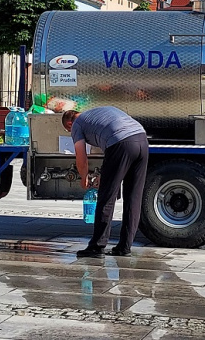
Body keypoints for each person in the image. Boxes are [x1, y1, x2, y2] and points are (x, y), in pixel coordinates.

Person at [62, 107, 149, 258]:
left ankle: (97, 246)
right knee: (133, 198)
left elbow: (81, 156)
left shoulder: (77, 125)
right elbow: (111, 154)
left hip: (121, 143)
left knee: (106, 197)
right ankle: (124, 247)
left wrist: (84, 177)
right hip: (141, 140)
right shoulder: (97, 114)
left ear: (69, 124)